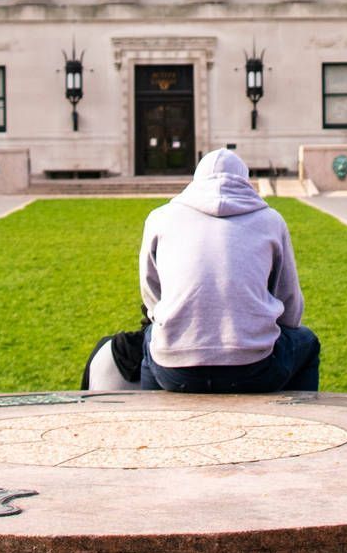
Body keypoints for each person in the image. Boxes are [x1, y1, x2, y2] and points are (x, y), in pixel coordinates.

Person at [137, 148, 320, 392]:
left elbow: (151, 291)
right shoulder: (271, 220)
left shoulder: (160, 218)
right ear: (245, 181)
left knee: (152, 339)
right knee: (307, 342)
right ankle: (303, 421)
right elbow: (289, 299)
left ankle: (151, 419)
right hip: (255, 367)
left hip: (175, 369)